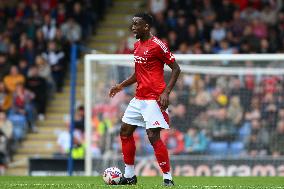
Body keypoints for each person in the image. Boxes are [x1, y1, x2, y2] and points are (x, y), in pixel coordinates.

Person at [109, 13, 180, 186]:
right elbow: (138, 73)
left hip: (154, 99)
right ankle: (130, 176)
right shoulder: (136, 45)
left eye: (136, 24)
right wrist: (121, 86)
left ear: (146, 26)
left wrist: (166, 92)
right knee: (125, 131)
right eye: (132, 24)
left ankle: (167, 178)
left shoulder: (158, 45)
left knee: (152, 136)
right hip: (139, 97)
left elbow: (176, 69)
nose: (132, 27)